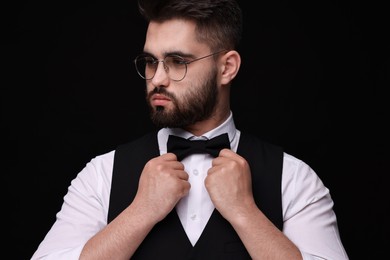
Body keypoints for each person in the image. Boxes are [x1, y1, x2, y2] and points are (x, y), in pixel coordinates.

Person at [31, 0, 349, 259]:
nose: (156, 79)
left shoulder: (294, 179)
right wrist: (139, 214)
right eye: (150, 62)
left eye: (178, 62)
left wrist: (245, 214)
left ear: (227, 67)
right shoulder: (101, 174)